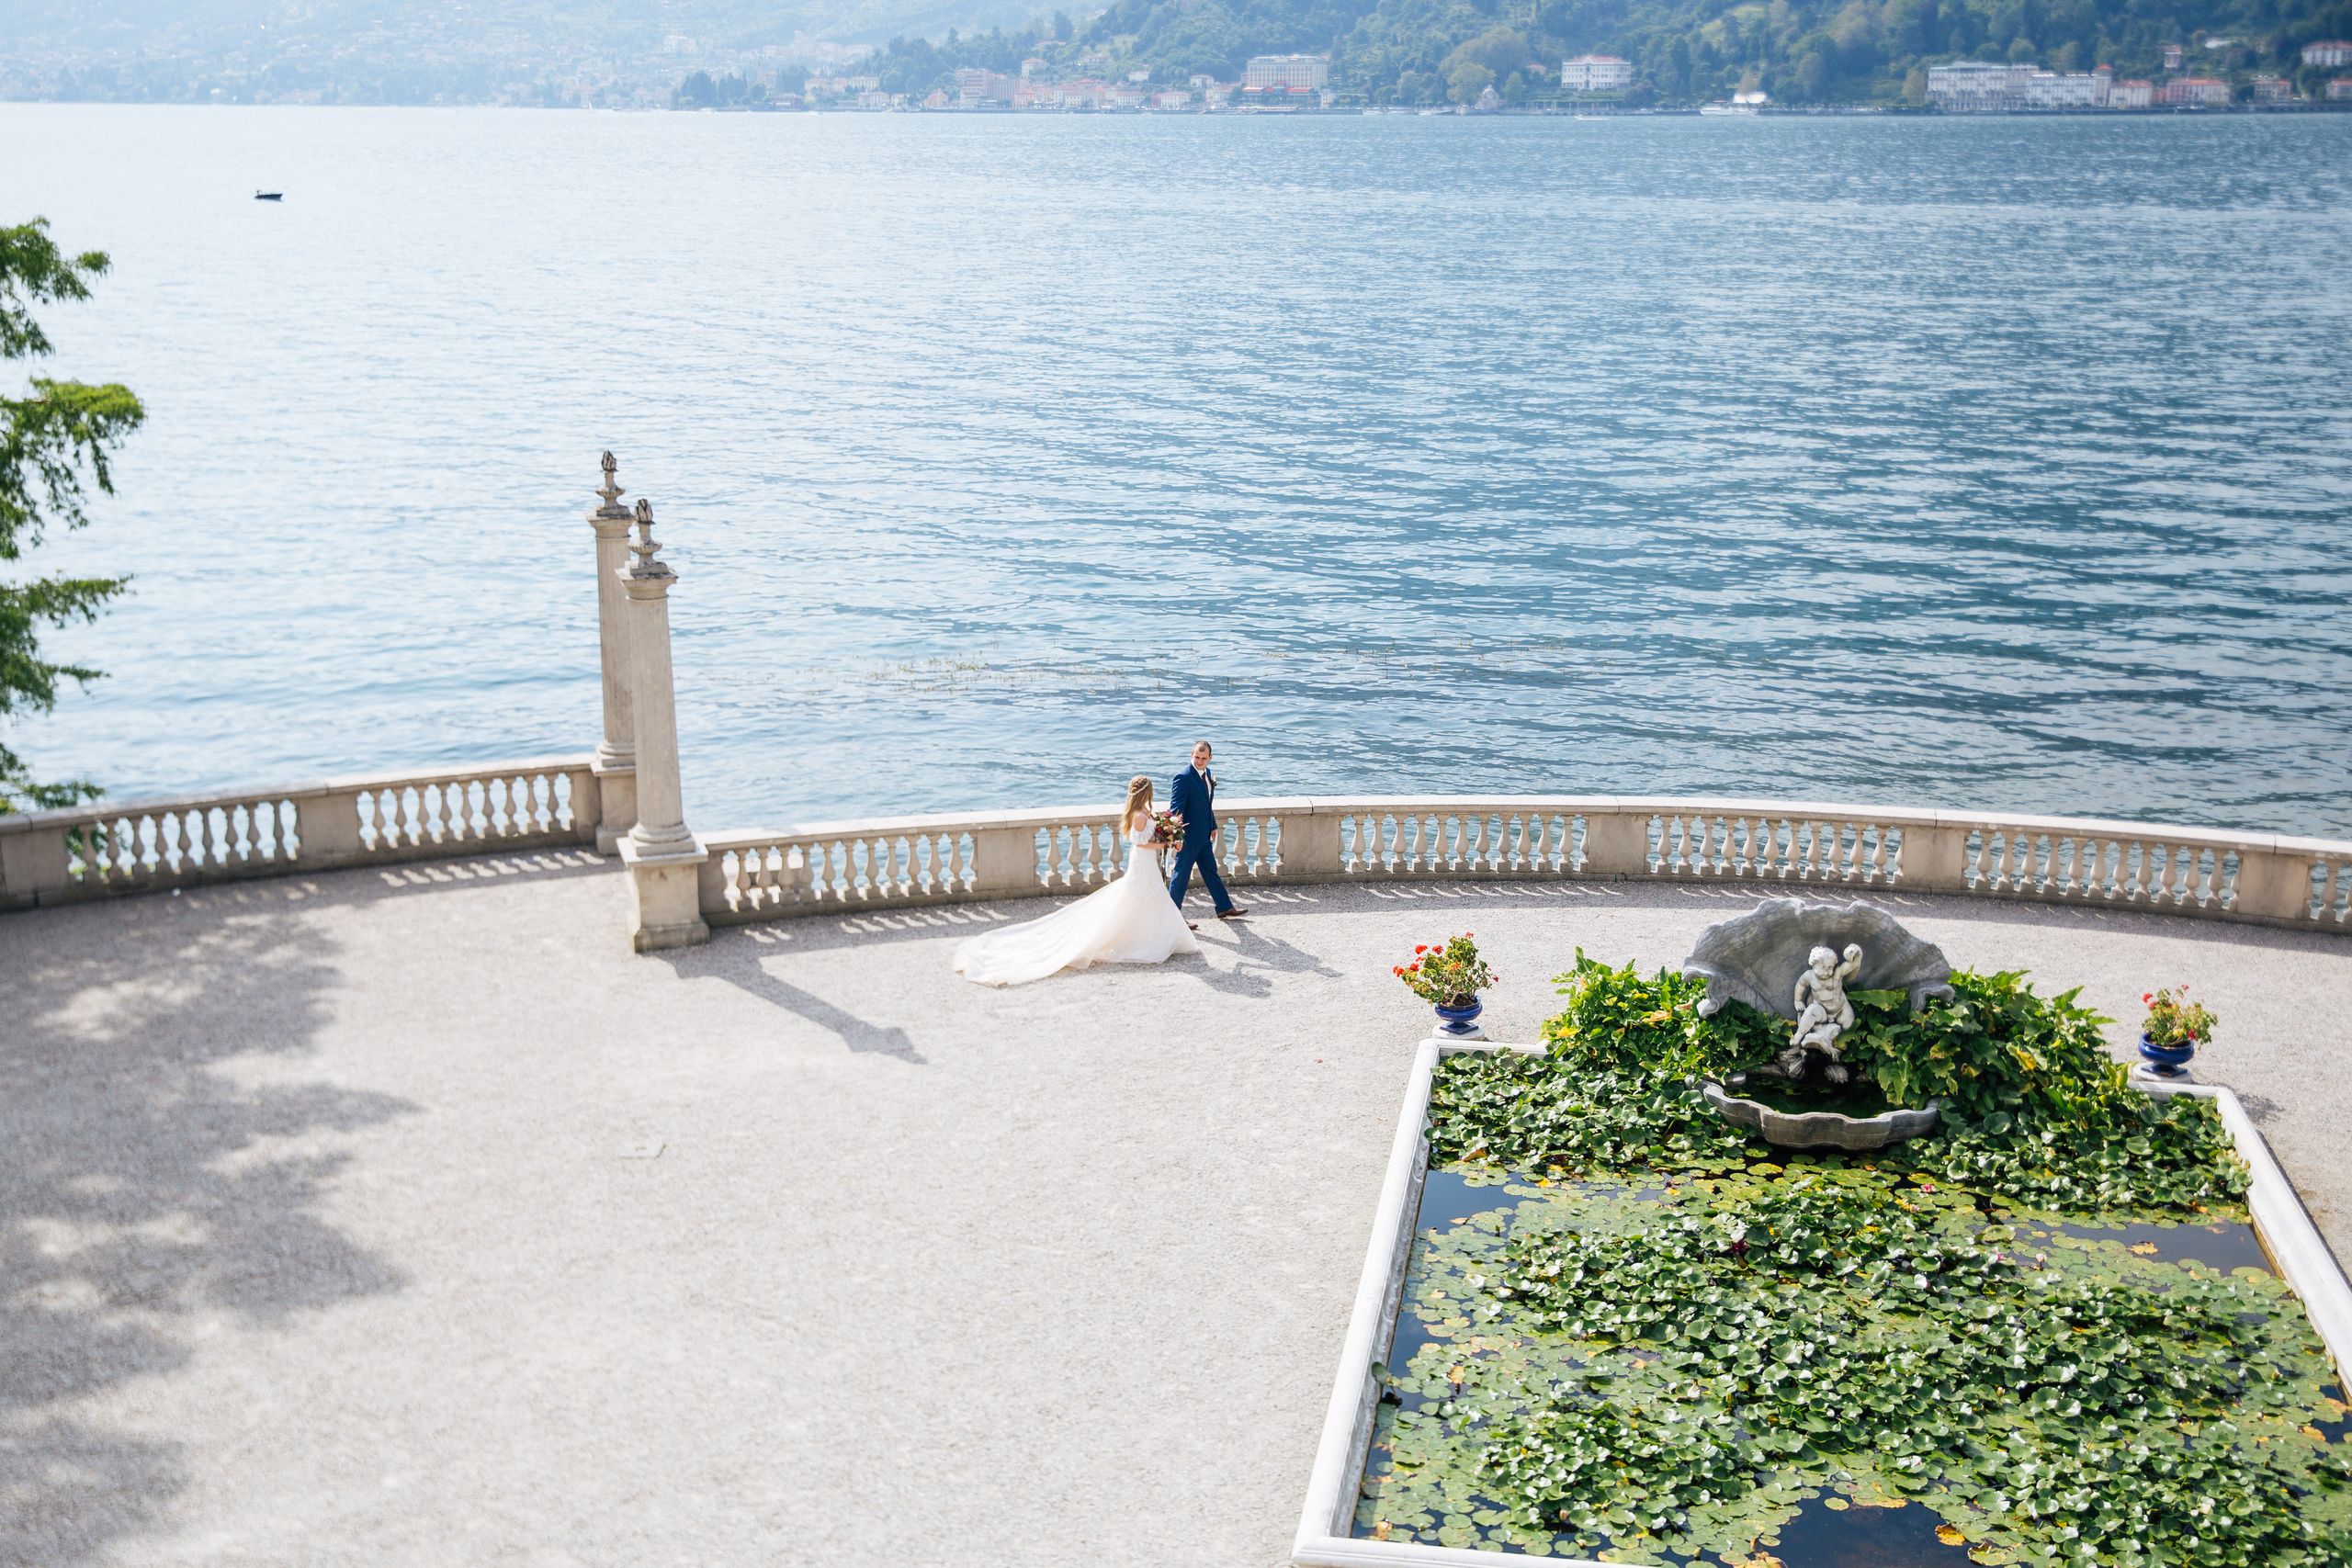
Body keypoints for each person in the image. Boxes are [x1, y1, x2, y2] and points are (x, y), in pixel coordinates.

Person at [951, 773, 1202, 987]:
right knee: (1142, 897)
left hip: (1148, 862)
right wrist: (1165, 842)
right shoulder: (1138, 815)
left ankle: (1156, 937)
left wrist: (1167, 831)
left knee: (1152, 897)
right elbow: (1140, 842)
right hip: (1143, 862)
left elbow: (1154, 830)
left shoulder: (1146, 811)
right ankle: (1144, 940)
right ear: (1145, 793)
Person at [1167, 740, 1247, 920]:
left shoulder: (1207, 773)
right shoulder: (1183, 777)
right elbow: (1176, 809)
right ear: (1191, 755)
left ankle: (1224, 908)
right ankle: (1172, 918)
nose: (1200, 761)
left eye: (1204, 758)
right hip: (1188, 838)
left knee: (1211, 871)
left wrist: (1212, 825)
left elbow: (1206, 803)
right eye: (1197, 757)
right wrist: (1177, 836)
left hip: (1204, 836)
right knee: (1181, 877)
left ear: (1210, 758)